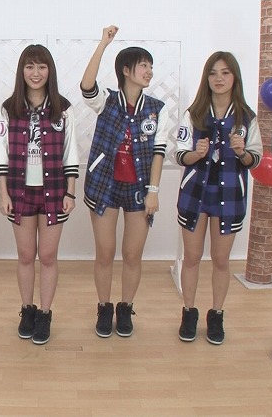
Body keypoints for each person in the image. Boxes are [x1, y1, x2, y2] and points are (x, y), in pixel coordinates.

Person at [80, 26, 171, 338]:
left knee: (133, 255)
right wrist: (103, 44)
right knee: (105, 253)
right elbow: (86, 86)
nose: (149, 71)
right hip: (104, 185)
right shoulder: (107, 101)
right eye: (143, 65)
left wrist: (153, 192)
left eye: (150, 66)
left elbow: (159, 152)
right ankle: (104, 307)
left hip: (139, 188)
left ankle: (126, 307)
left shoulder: (157, 109)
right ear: (126, 71)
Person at [174, 52, 262, 345]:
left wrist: (242, 152)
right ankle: (189, 312)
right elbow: (179, 154)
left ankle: (217, 314)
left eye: (225, 72)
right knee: (192, 257)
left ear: (234, 77)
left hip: (229, 196)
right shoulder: (194, 114)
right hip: (195, 194)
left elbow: (256, 159)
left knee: (221, 260)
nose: (219, 78)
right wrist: (195, 154)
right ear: (206, 78)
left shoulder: (247, 117)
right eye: (213, 73)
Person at [0, 44, 79, 345]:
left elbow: (70, 152)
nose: (35, 73)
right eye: (29, 66)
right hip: (19, 191)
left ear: (49, 71)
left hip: (54, 190)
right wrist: (3, 194)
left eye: (42, 67)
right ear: (22, 71)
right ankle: (27, 309)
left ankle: (45, 313)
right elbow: (1, 152)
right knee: (26, 255)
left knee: (48, 255)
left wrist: (71, 193)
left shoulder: (63, 109)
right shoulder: (8, 108)